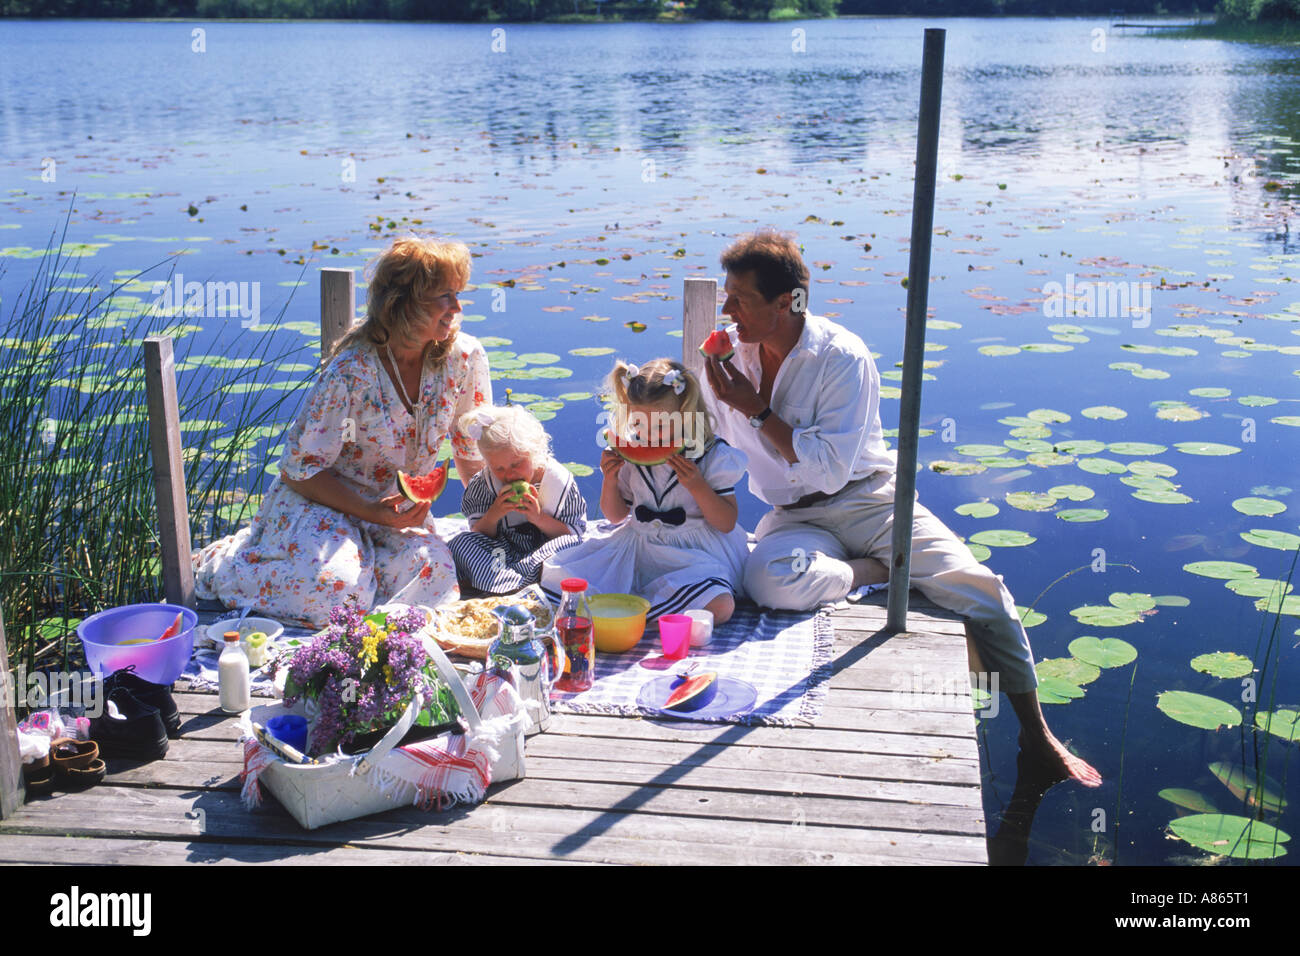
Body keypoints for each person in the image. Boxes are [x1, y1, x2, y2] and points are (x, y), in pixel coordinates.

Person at [701, 229, 1101, 787]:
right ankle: (879, 571)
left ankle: (1038, 734)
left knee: (982, 590)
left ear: (787, 300)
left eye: (739, 298)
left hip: (871, 499)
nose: (726, 310)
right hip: (794, 514)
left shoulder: (842, 357)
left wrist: (757, 409)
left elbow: (829, 467)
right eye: (726, 295)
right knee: (767, 582)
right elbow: (713, 443)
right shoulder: (727, 361)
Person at [192, 236, 491, 628]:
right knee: (335, 595)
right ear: (403, 303)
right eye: (445, 296)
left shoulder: (464, 358)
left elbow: (470, 449)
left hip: (392, 512)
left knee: (436, 580)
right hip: (321, 503)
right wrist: (369, 512)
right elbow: (298, 471)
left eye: (458, 294)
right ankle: (221, 565)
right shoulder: (351, 372)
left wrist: (490, 517)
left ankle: (366, 595)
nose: (457, 306)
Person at [541, 358, 749, 626]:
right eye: (639, 426)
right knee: (563, 578)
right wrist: (610, 478)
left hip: (694, 554)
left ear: (686, 412)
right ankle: (655, 610)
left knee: (721, 605)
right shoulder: (630, 451)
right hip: (638, 549)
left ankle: (644, 612)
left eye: (661, 427)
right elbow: (615, 516)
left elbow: (726, 522)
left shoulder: (713, 455)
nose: (649, 437)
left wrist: (698, 486)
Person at [448, 403, 588, 594]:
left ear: (534, 451)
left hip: (543, 554)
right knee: (461, 543)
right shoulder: (483, 484)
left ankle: (501, 585)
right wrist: (494, 514)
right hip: (500, 554)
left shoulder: (559, 481)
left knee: (572, 545)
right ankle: (524, 584)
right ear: (488, 464)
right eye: (499, 468)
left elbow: (572, 534)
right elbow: (478, 532)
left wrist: (539, 518)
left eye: (516, 463)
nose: (509, 475)